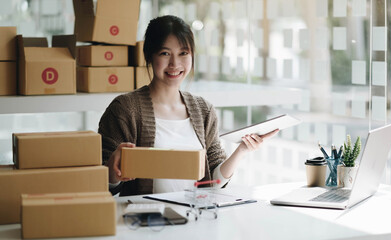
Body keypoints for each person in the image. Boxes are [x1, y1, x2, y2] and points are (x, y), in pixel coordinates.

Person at [98, 15, 278, 196]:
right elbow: (100, 184)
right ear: (149, 56)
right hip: (146, 220)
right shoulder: (124, 110)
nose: (175, 64)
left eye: (183, 53)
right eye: (165, 53)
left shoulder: (204, 110)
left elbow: (212, 183)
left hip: (195, 219)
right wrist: (112, 172)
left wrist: (242, 150)